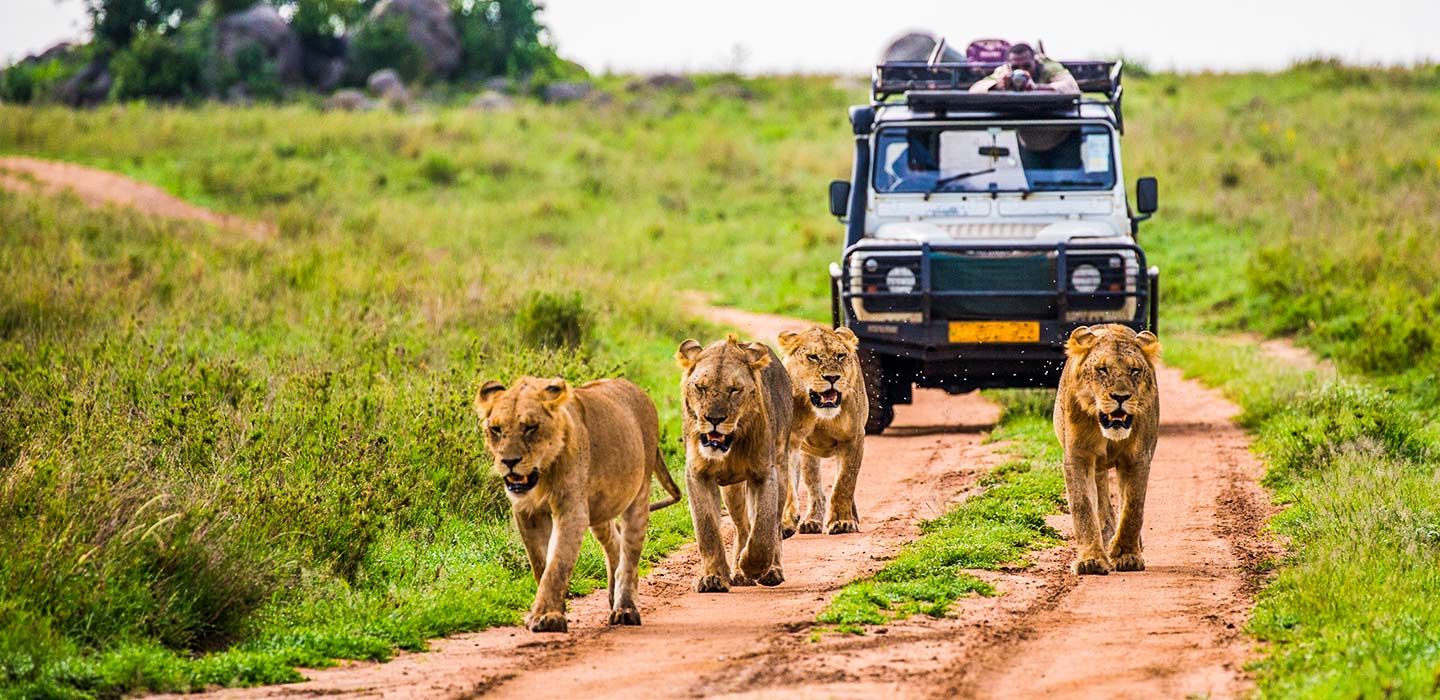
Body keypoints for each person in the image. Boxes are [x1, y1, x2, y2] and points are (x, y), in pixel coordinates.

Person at [969, 43, 1079, 94]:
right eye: (1016, 67)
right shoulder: (1005, 70)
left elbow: (1071, 87)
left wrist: (1037, 88)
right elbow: (974, 90)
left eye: (1027, 66)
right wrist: (998, 85)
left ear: (1035, 61)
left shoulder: (1048, 67)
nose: (1021, 70)